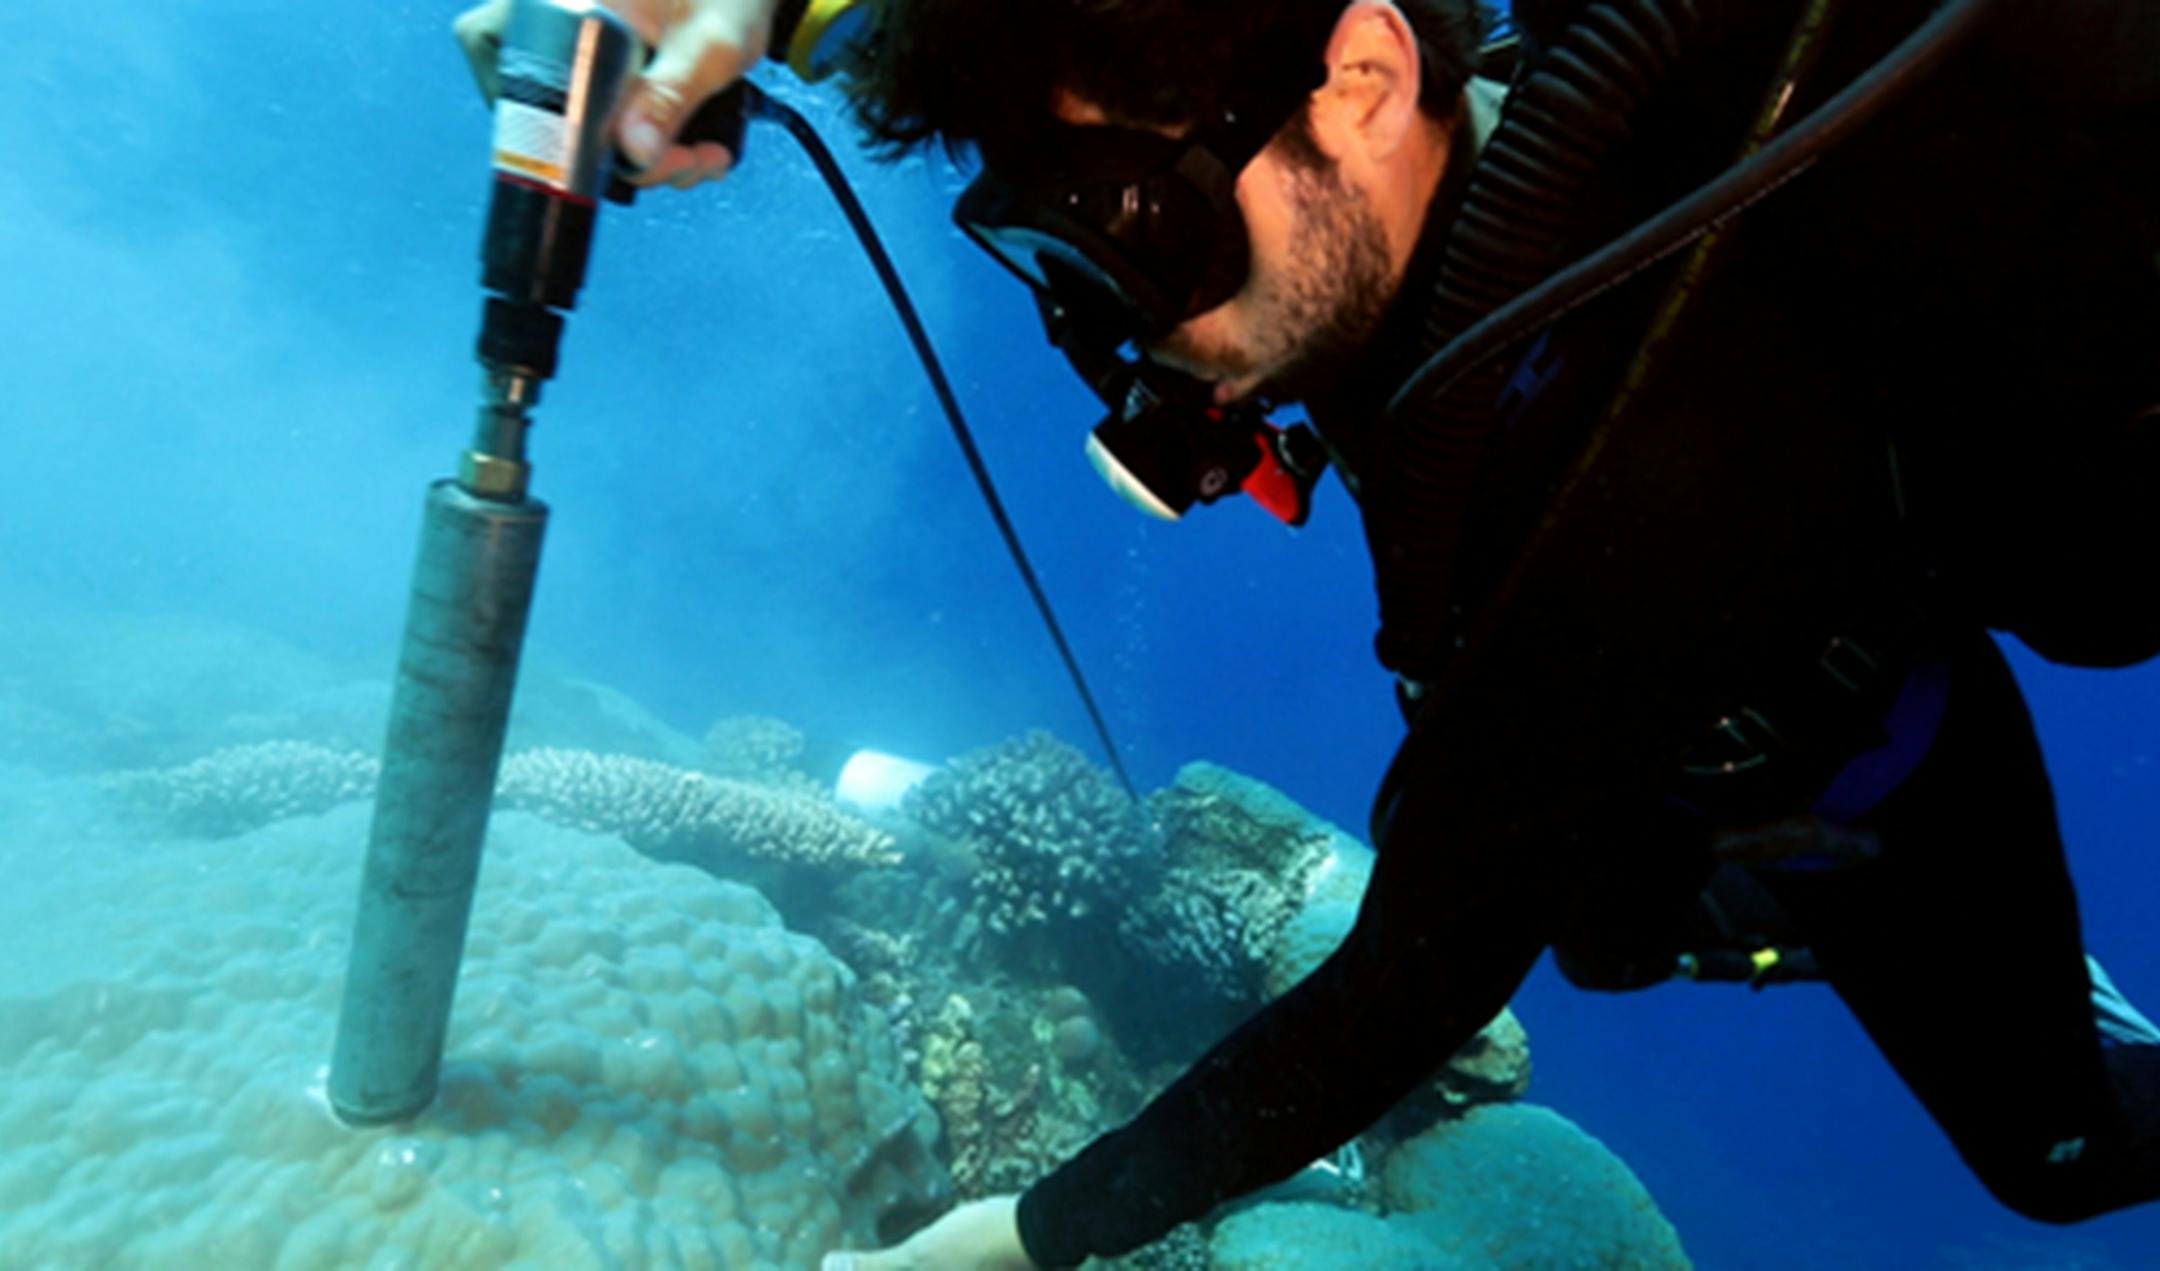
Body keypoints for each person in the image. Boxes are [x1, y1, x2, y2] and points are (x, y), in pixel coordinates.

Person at [455, 1, 2160, 1267]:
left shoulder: (1635, 426)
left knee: (2061, 1158)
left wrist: (1015, 1239)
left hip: (1873, 746)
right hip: (1692, 729)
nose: (1140, 335)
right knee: (1622, 914)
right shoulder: (1432, 242)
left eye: (1142, 231)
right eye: (1060, 257)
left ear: (1360, 79)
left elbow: (1407, 989)